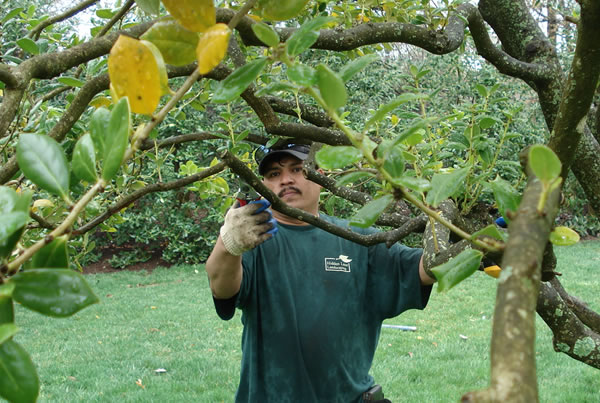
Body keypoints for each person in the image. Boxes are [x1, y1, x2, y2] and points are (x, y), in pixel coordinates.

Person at [205, 144, 436, 403]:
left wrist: (477, 244)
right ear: (263, 185)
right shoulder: (254, 239)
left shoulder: (356, 237)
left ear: (321, 177)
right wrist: (228, 245)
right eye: (273, 174)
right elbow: (221, 287)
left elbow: (424, 268)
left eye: (298, 169)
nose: (286, 179)